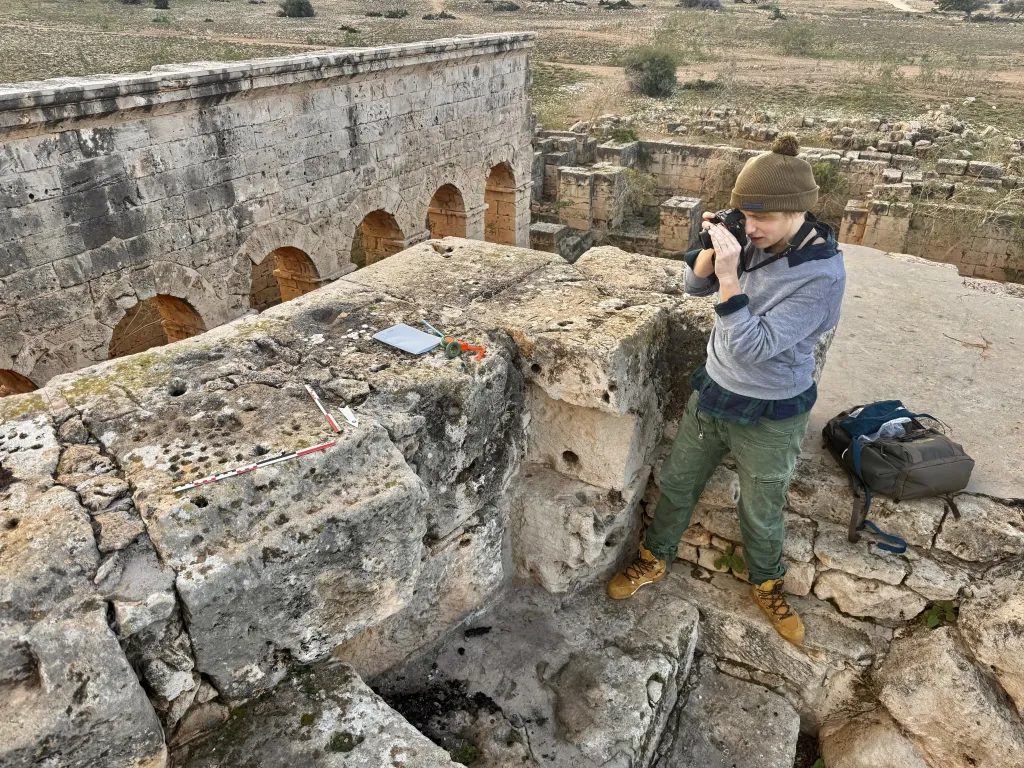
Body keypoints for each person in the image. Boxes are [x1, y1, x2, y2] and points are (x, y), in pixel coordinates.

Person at [606, 134, 846, 647]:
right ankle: (654, 557)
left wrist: (733, 274)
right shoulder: (750, 239)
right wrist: (712, 251)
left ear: (796, 212)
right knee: (677, 484)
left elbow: (755, 346)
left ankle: (765, 583)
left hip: (772, 410)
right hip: (713, 392)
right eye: (744, 215)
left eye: (763, 218)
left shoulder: (821, 275)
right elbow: (694, 288)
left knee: (761, 505)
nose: (752, 227)